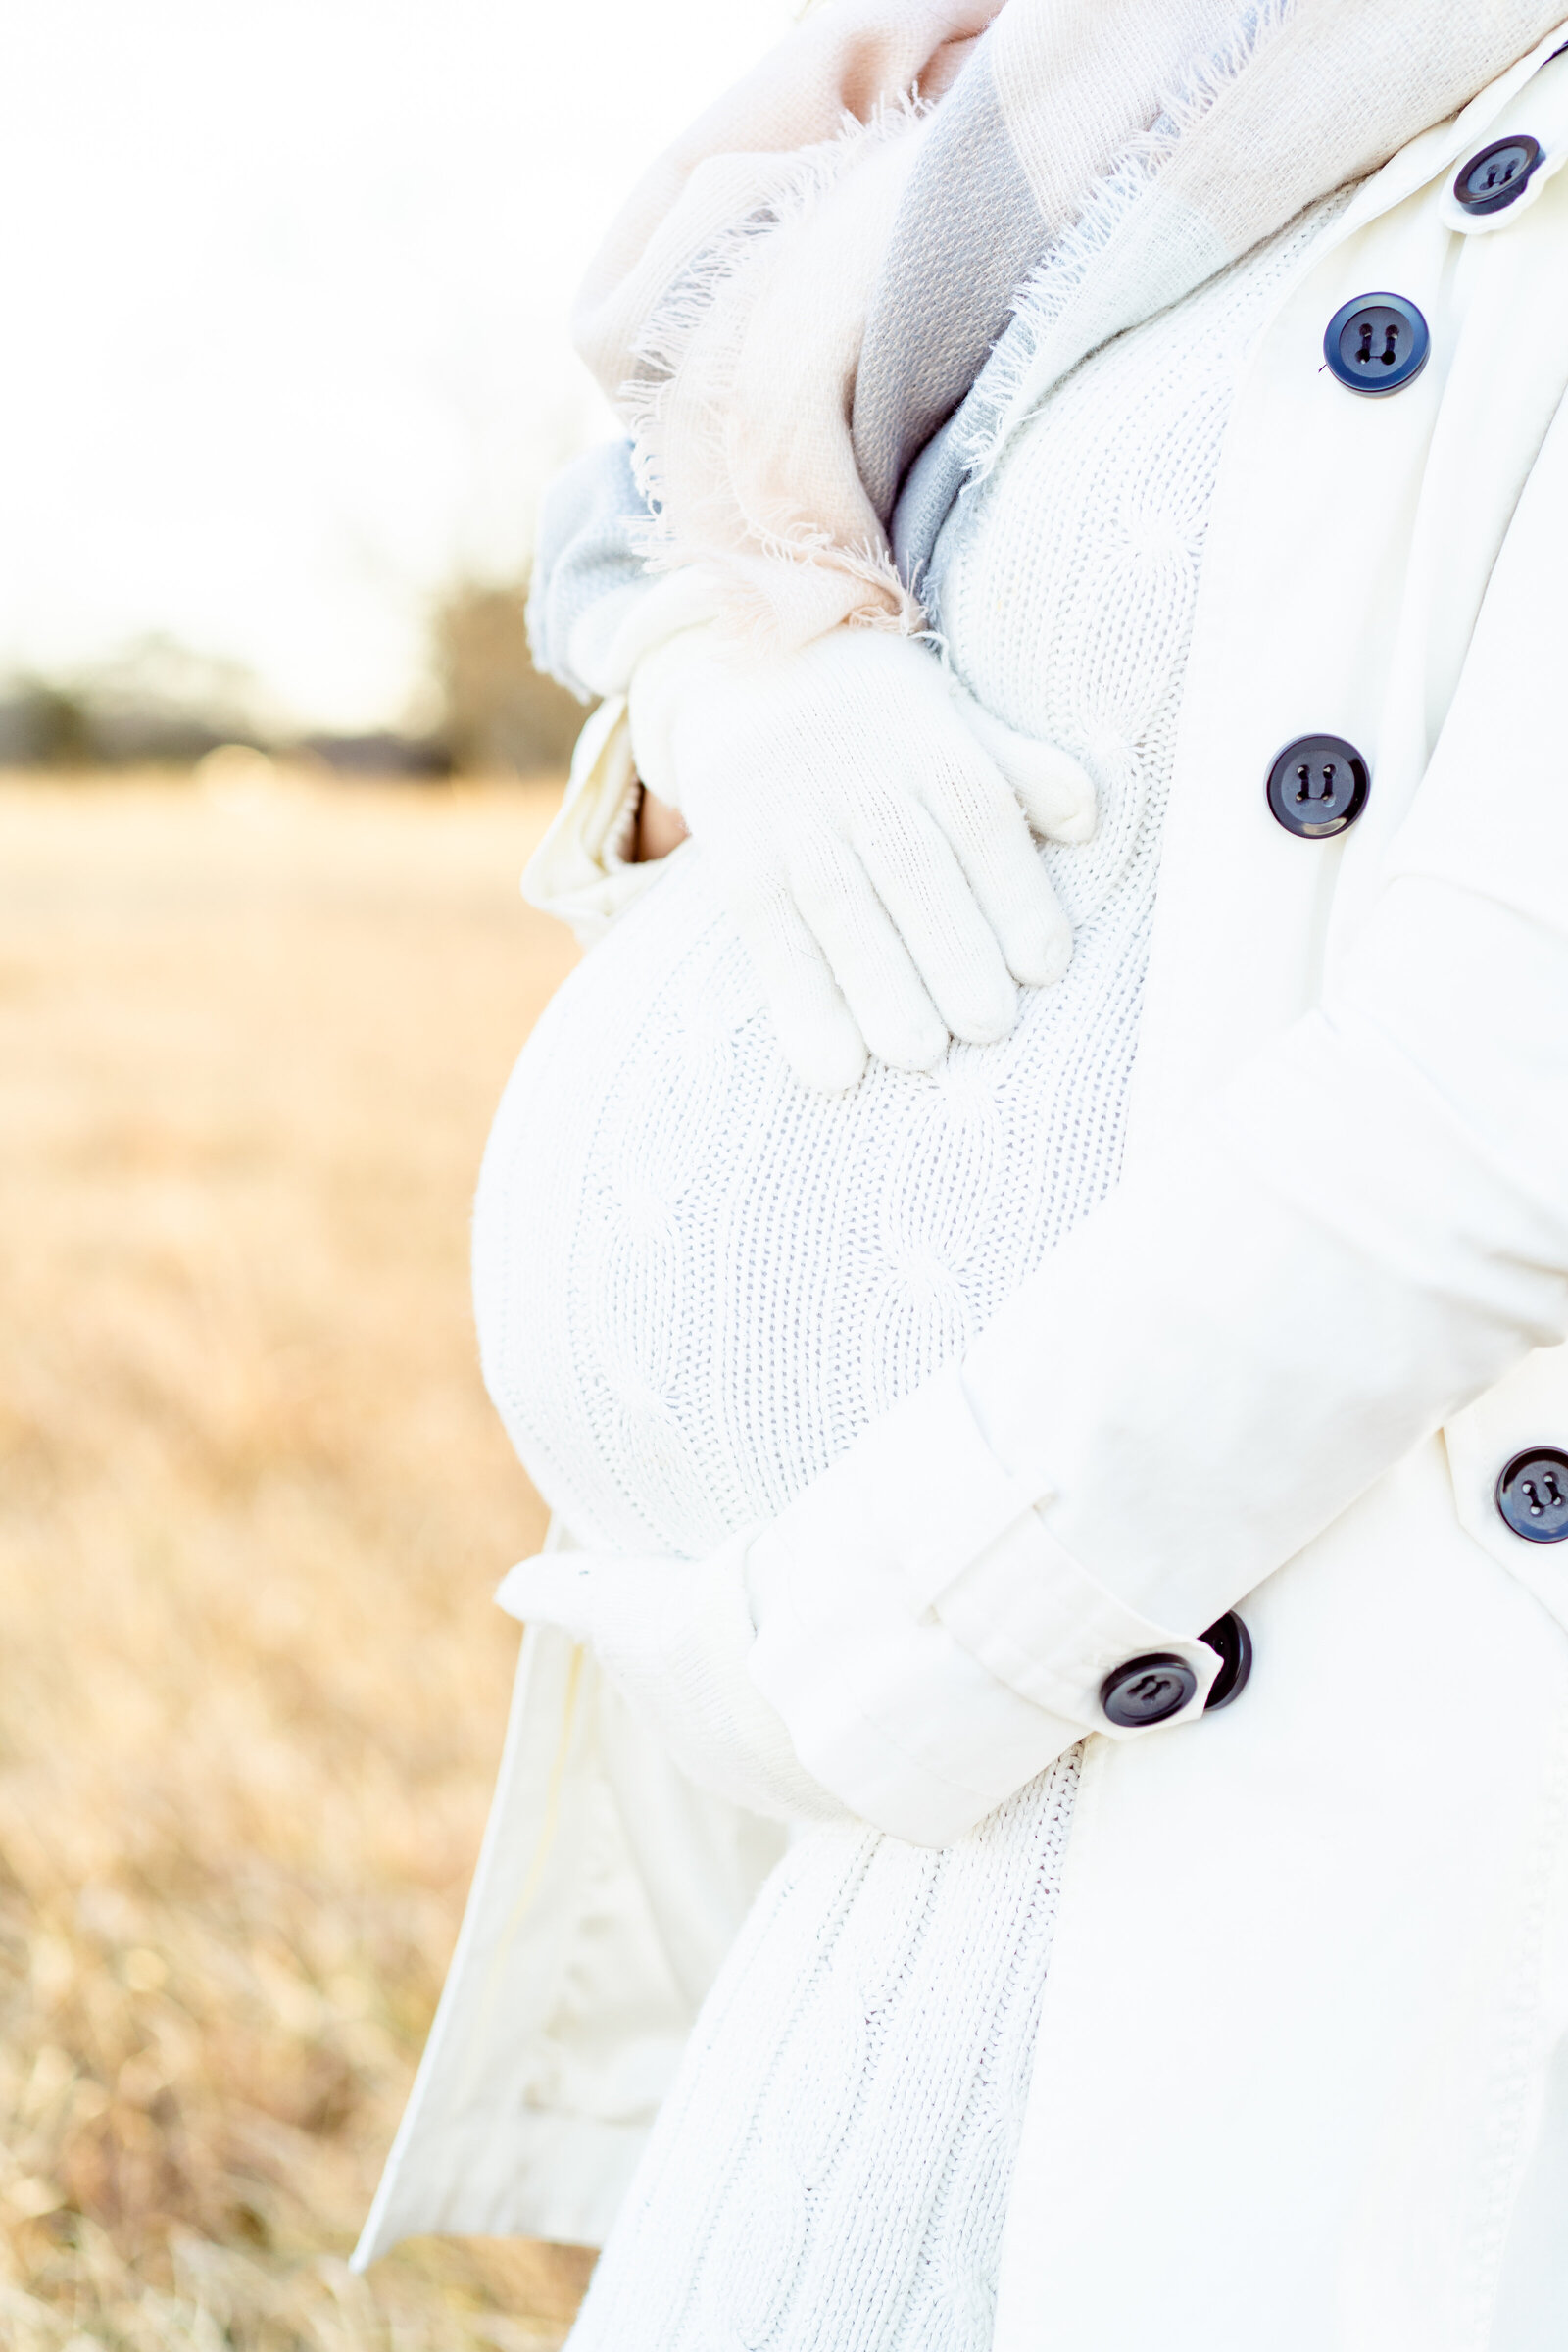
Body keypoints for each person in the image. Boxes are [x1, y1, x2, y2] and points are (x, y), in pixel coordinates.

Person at [357, 4, 1568, 2344]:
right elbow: (636, 511)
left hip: (1194, 1693)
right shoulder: (1113, 75)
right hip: (943, 1816)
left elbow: (1508, 1075)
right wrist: (739, 678)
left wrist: (887, 1642)